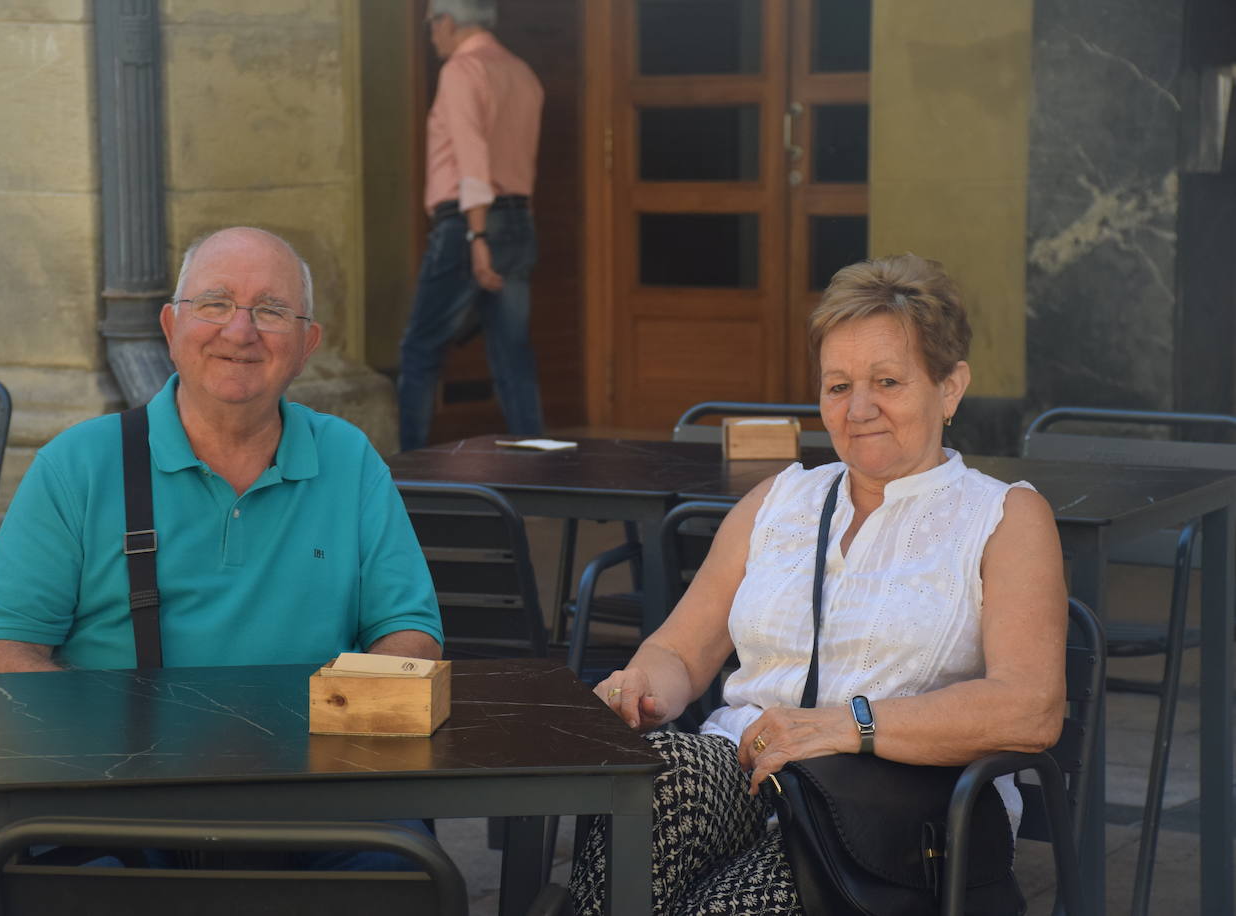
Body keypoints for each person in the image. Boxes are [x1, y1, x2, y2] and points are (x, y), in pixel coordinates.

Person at [571, 254, 1068, 914]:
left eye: (886, 381)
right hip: (745, 776)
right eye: (838, 386)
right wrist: (639, 688)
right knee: (658, 778)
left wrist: (849, 726)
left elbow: (1029, 708)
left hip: (894, 807)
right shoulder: (779, 501)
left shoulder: (1002, 517)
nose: (858, 408)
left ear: (950, 388)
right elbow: (680, 653)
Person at [0, 226, 442, 869]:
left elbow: (410, 635)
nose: (240, 332)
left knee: (404, 875)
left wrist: (338, 732)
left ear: (307, 345)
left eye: (271, 311)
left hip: (314, 802)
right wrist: (147, 738)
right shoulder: (79, 463)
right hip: (115, 807)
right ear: (170, 327)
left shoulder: (349, 459)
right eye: (214, 303)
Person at [397, 0, 545, 451]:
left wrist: (477, 236)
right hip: (519, 218)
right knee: (512, 354)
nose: (431, 37)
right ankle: (545, 473)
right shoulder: (522, 72)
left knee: (419, 350)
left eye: (431, 27)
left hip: (469, 223)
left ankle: (410, 475)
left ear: (447, 22)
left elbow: (471, 156)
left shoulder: (462, 70)